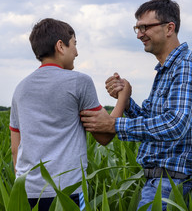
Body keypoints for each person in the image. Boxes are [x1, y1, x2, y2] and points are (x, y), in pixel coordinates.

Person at [80, 0, 192, 210]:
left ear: (169, 28)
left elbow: (174, 124)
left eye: (145, 27)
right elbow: (154, 122)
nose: (139, 34)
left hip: (174, 184)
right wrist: (126, 101)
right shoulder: (167, 69)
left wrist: (113, 125)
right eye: (136, 27)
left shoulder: (186, 66)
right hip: (165, 182)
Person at [9, 18, 130, 210]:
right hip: (67, 191)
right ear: (60, 46)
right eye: (74, 44)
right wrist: (124, 97)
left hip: (25, 192)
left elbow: (16, 148)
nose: (76, 52)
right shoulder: (79, 82)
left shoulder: (20, 89)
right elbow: (104, 135)